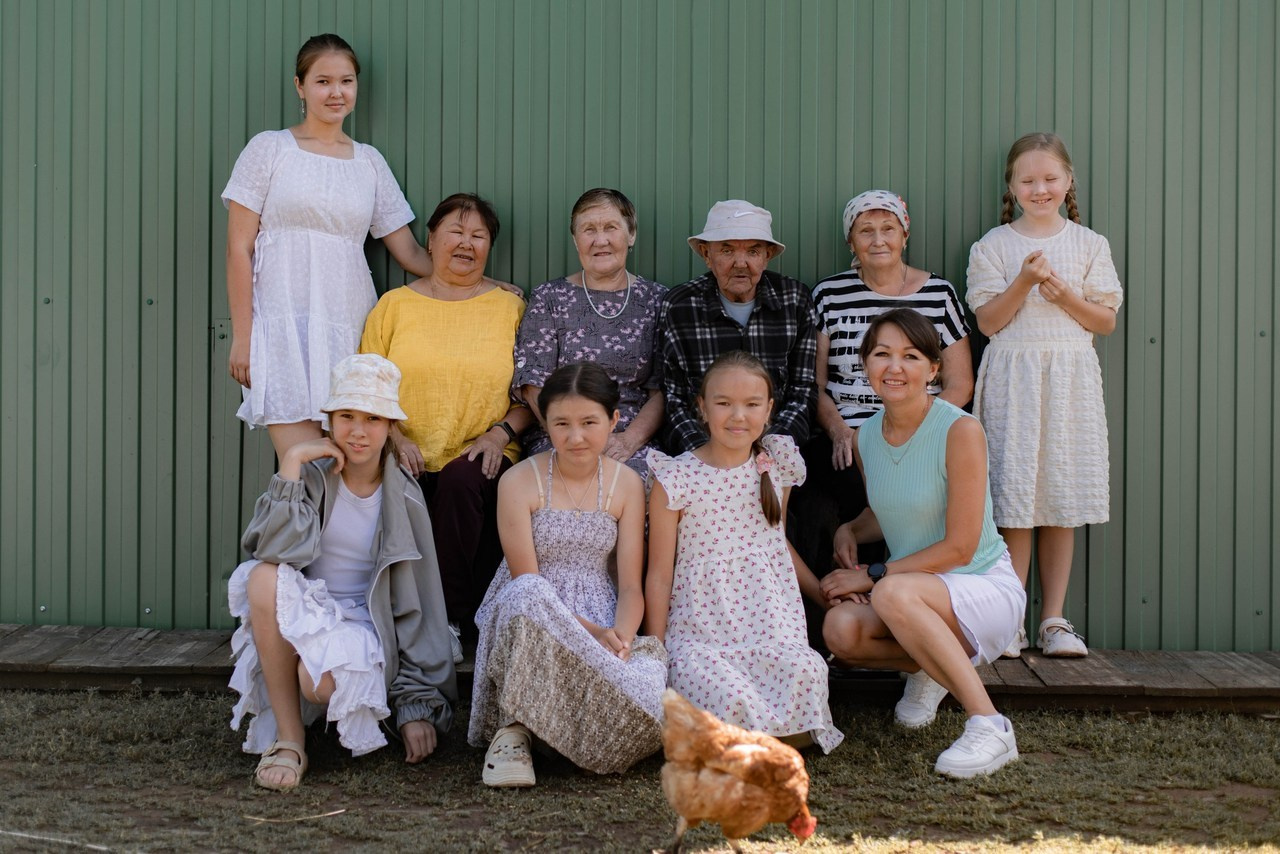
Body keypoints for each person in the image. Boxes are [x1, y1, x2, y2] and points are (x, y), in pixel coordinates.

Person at [226, 354, 457, 791]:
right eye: (346, 415)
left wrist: (415, 707)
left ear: (390, 426)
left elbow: (420, 607)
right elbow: (272, 551)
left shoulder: (405, 500)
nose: (358, 430)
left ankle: (317, 693)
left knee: (317, 683)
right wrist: (292, 463)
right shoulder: (311, 479)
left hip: (365, 623)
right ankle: (291, 741)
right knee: (262, 576)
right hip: (313, 607)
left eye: (373, 418)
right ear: (329, 420)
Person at [821, 309, 1025, 779]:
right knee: (840, 630)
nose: (895, 367)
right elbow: (890, 509)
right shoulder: (866, 436)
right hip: (919, 594)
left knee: (893, 591)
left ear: (933, 369)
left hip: (981, 587)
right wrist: (849, 529)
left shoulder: (960, 430)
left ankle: (990, 725)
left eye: (910, 356)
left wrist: (871, 575)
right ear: (865, 365)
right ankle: (930, 668)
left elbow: (960, 546)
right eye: (882, 355)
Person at [222, 34, 432, 460]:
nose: (336, 92)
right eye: (323, 81)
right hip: (283, 325)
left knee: (352, 475)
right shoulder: (269, 148)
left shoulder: (369, 162)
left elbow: (408, 252)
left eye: (346, 81)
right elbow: (237, 249)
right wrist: (243, 338)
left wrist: (480, 281)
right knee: (304, 470)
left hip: (348, 325)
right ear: (300, 86)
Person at [469, 363, 666, 786]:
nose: (575, 437)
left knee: (650, 689)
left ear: (613, 421)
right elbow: (526, 581)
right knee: (529, 594)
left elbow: (631, 585)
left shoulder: (628, 484)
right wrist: (590, 635)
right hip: (530, 615)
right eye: (561, 423)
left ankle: (564, 734)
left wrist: (622, 639)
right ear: (545, 421)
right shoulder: (519, 481)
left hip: (600, 614)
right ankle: (514, 734)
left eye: (589, 423)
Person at [966, 132, 1123, 658]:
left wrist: (1064, 294)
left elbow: (1104, 320)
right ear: (1011, 185)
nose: (1040, 189)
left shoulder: (1089, 244)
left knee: (1060, 497)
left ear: (1068, 181)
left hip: (1069, 380)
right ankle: (1009, 620)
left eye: (1050, 179)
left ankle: (1053, 620)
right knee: (1013, 500)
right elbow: (987, 322)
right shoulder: (993, 245)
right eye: (1028, 180)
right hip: (1013, 377)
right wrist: (1024, 285)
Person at [360, 193, 531, 660]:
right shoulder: (394, 307)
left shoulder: (509, 308)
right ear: (431, 240)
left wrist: (499, 434)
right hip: (402, 448)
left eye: (478, 236)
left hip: (484, 449)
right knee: (403, 487)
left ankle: (450, 621)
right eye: (455, 232)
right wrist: (393, 436)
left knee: (459, 479)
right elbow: (366, 386)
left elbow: (530, 395)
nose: (466, 243)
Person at [646, 351, 843, 754]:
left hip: (768, 623)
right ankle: (752, 736)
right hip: (702, 632)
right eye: (724, 403)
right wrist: (655, 648)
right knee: (718, 686)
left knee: (807, 669)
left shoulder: (775, 466)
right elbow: (660, 573)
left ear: (769, 410)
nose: (738, 416)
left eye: (752, 404)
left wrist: (822, 591)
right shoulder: (676, 478)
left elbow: (777, 544)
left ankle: (748, 738)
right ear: (702, 408)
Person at [793, 190, 974, 593]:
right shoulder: (829, 294)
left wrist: (912, 431)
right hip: (847, 434)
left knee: (907, 489)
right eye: (865, 231)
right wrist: (840, 431)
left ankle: (900, 598)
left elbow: (961, 384)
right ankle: (831, 610)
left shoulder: (939, 295)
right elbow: (814, 384)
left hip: (921, 430)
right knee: (814, 496)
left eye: (888, 229)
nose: (878, 240)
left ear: (904, 235)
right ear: (850, 242)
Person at [514, 189, 666, 476]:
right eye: (588, 230)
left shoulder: (657, 300)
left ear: (631, 234)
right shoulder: (549, 298)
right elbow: (533, 385)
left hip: (631, 438)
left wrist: (628, 440)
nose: (600, 240)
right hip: (559, 435)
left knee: (642, 484)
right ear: (575, 240)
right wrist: (572, 436)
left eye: (611, 227)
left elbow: (662, 390)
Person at [655, 200, 818, 454]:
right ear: (707, 255)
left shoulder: (794, 301)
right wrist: (708, 456)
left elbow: (803, 390)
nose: (741, 263)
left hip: (778, 452)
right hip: (702, 455)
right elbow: (672, 399)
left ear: (767, 257)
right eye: (727, 250)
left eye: (753, 251)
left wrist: (769, 452)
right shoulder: (679, 306)